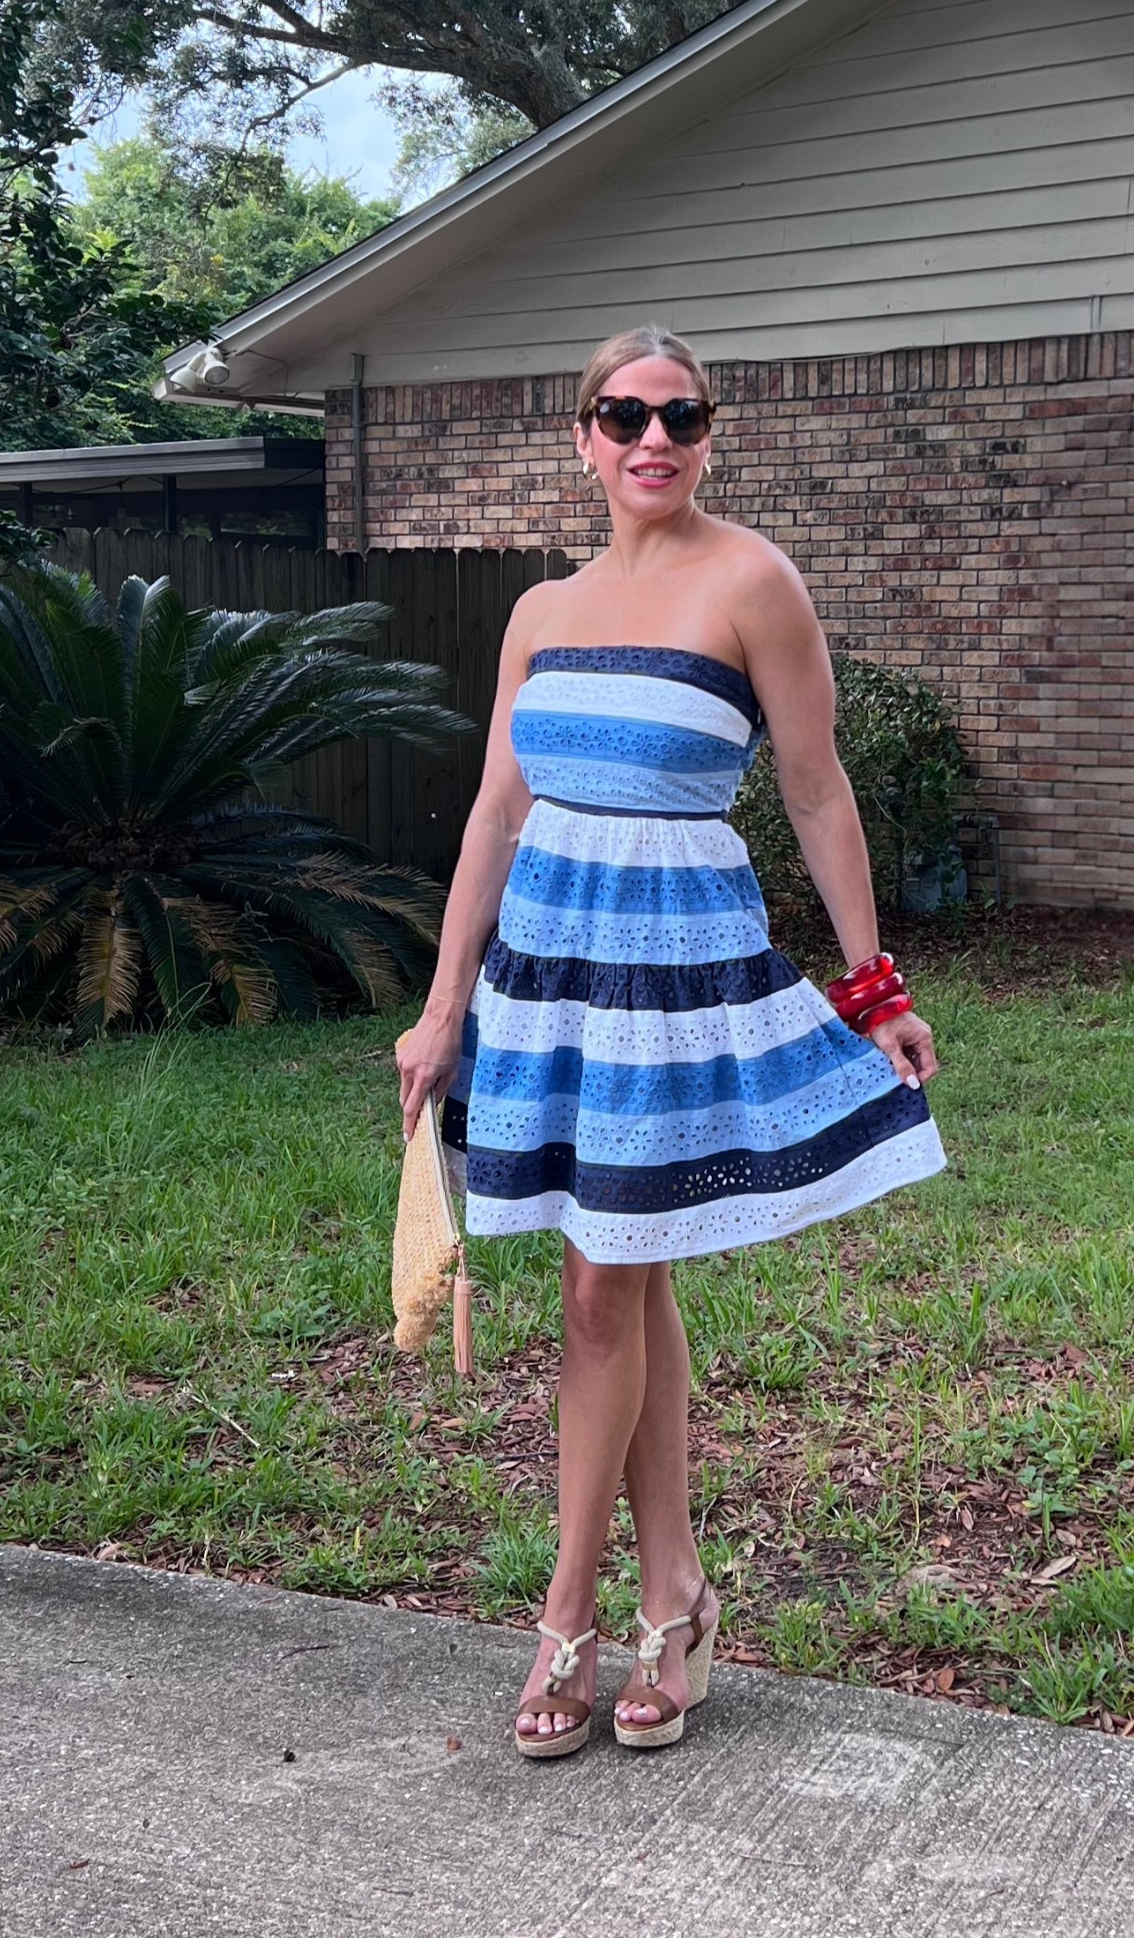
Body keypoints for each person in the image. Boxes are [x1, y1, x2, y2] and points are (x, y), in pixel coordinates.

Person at [394, 323, 947, 1760]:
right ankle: (678, 1596)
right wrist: (443, 1003)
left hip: (672, 978)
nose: (655, 438)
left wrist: (874, 986)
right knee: (621, 1286)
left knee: (599, 1290)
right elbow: (495, 817)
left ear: (709, 435)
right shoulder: (538, 611)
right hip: (548, 978)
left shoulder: (752, 580)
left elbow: (818, 797)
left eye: (681, 415)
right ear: (582, 437)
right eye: (625, 415)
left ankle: (565, 1615)